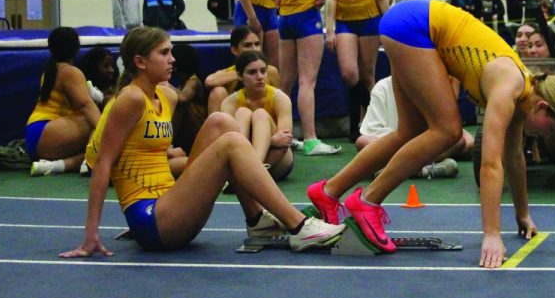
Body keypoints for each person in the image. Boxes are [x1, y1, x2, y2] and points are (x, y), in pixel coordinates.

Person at [305, 0, 555, 268]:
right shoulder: (508, 86)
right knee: (448, 131)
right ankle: (367, 201)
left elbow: (514, 157)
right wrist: (492, 235)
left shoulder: (524, 94)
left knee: (410, 131)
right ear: (543, 107)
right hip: (413, 27)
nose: (548, 136)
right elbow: (490, 165)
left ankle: (329, 192)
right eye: (553, 129)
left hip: (406, 23)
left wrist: (522, 214)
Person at [61, 27, 345, 258]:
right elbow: (103, 162)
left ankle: (257, 220)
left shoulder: (166, 96)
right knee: (232, 142)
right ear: (140, 62)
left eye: (171, 52)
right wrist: (91, 234)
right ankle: (298, 226)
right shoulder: (130, 98)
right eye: (164, 53)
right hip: (153, 221)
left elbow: (148, 152)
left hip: (170, 203)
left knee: (220, 123)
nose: (173, 59)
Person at [247, 0, 341, 156]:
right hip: (306, 16)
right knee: (308, 82)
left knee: (285, 83)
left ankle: (279, 133)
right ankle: (310, 139)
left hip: (285, 18)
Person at [325, 0, 389, 141]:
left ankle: (366, 126)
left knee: (367, 75)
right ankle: (381, 117)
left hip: (370, 20)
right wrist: (330, 28)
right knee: (349, 73)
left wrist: (388, 23)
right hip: (345, 21)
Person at [355, 75, 470, 179]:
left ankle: (398, 168)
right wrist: (406, 141)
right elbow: (370, 132)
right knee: (363, 142)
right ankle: (425, 169)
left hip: (426, 144)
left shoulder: (433, 86)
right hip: (395, 144)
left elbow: (449, 131)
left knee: (461, 141)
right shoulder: (383, 86)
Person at [27, 27, 101, 176]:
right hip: (47, 131)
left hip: (34, 133)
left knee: (94, 147)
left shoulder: (50, 70)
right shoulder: (70, 72)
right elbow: (86, 106)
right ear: (76, 48)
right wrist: (107, 130)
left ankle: (54, 166)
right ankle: (91, 160)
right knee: (99, 125)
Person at [220, 50, 295, 180]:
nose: (260, 76)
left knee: (260, 114)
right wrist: (271, 140)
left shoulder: (280, 98)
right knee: (243, 112)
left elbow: (285, 139)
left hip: (277, 159)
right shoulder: (230, 102)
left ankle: (251, 171)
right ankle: (247, 171)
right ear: (239, 75)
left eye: (263, 71)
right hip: (243, 154)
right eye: (252, 72)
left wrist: (266, 141)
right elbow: (228, 143)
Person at [204, 25, 282, 114]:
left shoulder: (271, 71)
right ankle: (217, 127)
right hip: (234, 122)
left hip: (264, 120)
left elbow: (281, 102)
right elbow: (209, 82)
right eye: (247, 45)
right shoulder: (230, 72)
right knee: (218, 92)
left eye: (257, 44)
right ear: (234, 50)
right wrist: (243, 72)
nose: (254, 49)